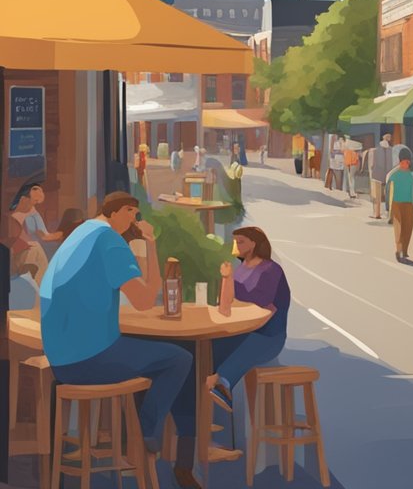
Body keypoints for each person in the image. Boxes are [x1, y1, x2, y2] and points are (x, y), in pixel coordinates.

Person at [40, 192, 200, 488]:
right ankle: (148, 436)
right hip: (88, 358)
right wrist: (151, 244)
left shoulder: (83, 232)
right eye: (129, 212)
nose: (133, 220)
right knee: (180, 358)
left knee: (148, 356)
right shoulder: (109, 240)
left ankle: (137, 445)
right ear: (112, 213)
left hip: (60, 357)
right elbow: (143, 300)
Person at [207, 227, 290, 414]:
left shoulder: (270, 270)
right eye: (235, 241)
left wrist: (231, 290)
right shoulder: (240, 269)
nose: (236, 245)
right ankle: (203, 412)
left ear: (254, 243)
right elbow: (226, 303)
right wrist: (226, 279)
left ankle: (222, 383)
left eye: (241, 241)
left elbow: (262, 305)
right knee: (210, 346)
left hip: (268, 336)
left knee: (247, 342)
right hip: (245, 330)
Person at [8, 182, 57, 282]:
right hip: (15, 252)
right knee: (35, 249)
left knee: (35, 249)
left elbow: (43, 235)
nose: (33, 204)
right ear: (23, 199)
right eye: (33, 201)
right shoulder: (11, 216)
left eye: (36, 202)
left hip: (25, 250)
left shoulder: (33, 213)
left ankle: (42, 286)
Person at [386, 158, 413, 263]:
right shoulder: (400, 175)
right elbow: (388, 191)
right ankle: (401, 250)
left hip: (403, 203)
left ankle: (402, 250)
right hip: (402, 203)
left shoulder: (407, 175)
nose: (405, 164)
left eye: (407, 162)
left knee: (404, 227)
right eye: (404, 162)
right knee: (403, 228)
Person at [367, 134, 394, 220]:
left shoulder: (374, 150)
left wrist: (371, 173)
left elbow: (371, 165)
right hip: (389, 174)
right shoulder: (392, 150)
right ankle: (390, 214)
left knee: (376, 195)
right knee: (389, 194)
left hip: (377, 173)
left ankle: (376, 213)